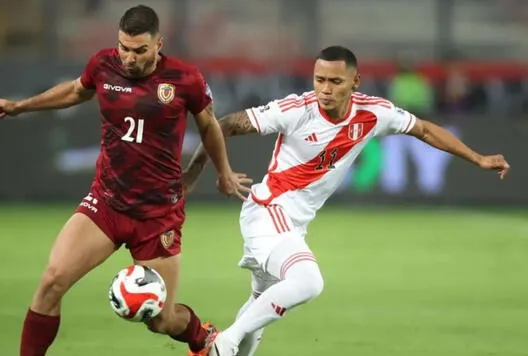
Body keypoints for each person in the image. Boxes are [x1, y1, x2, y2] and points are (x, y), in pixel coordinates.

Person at [181, 45, 510, 356]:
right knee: (308, 281)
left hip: (294, 223)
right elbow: (223, 125)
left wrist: (477, 158)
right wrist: (203, 174)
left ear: (355, 82)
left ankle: (227, 345)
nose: (325, 89)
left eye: (335, 81)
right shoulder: (297, 110)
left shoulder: (374, 112)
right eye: (319, 80)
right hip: (269, 211)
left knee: (259, 304)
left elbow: (423, 129)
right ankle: (223, 342)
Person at [0, 5, 249, 356]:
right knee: (51, 281)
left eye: (139, 50)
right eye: (124, 47)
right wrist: (20, 107)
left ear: (158, 45)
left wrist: (223, 172)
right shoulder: (102, 64)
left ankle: (202, 338)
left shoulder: (185, 79)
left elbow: (209, 125)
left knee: (161, 321)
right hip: (105, 205)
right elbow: (76, 91)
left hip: (156, 217)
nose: (129, 57)